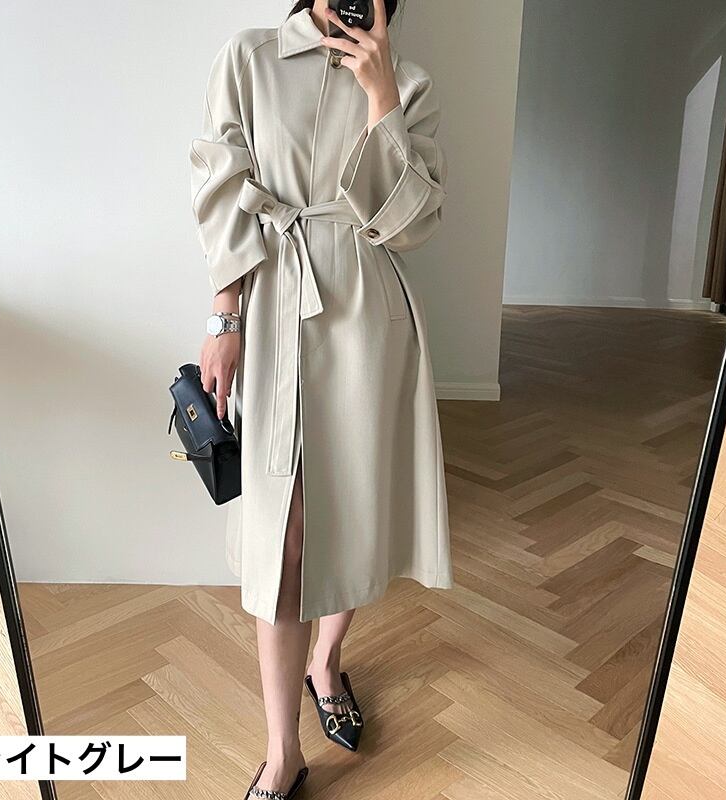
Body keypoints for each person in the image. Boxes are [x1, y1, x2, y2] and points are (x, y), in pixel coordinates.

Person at [190, 1, 454, 796]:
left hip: (367, 317)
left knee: (354, 507)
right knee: (286, 534)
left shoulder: (408, 81)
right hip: (274, 303)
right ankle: (283, 751)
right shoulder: (249, 57)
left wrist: (382, 98)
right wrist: (224, 318)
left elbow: (410, 226)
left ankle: (326, 661)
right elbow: (220, 188)